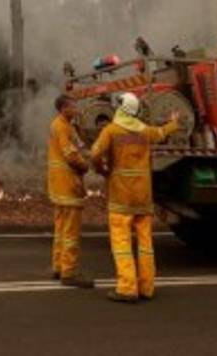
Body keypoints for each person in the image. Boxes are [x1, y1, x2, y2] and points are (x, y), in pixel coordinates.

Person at [89, 92, 181, 303]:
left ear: (121, 108)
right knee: (145, 244)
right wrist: (174, 123)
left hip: (121, 196)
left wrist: (101, 170)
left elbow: (94, 153)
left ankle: (127, 288)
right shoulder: (144, 131)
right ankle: (147, 287)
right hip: (143, 196)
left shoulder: (111, 130)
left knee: (121, 243)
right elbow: (161, 132)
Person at [47, 94, 93, 288]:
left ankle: (58, 267)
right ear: (63, 109)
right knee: (71, 232)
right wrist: (85, 166)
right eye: (73, 106)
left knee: (60, 229)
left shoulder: (62, 124)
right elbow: (71, 155)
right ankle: (69, 272)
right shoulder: (62, 127)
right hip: (68, 186)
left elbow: (80, 144)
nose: (76, 109)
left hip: (59, 186)